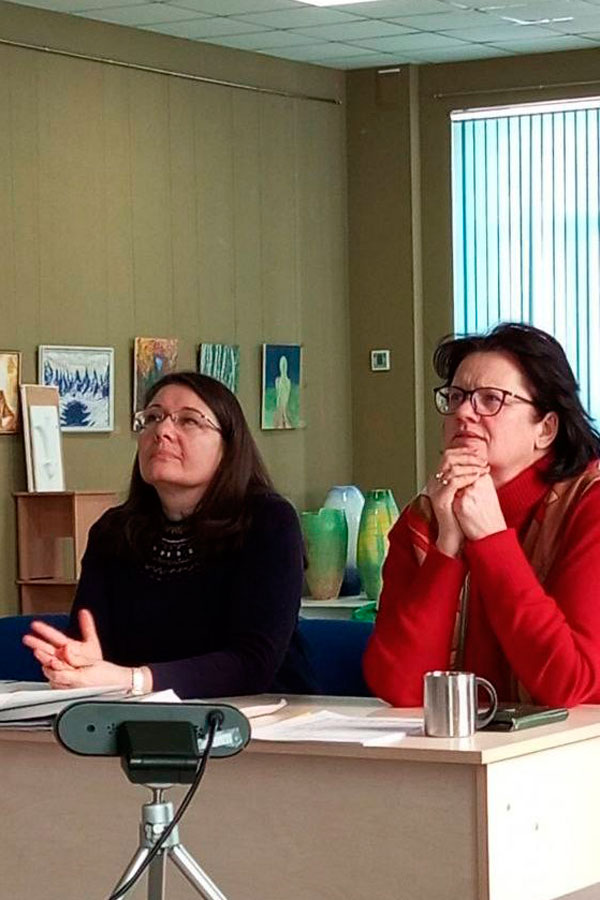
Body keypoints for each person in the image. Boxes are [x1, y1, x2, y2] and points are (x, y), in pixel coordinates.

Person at [24, 372, 315, 699]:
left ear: (229, 446)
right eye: (152, 418)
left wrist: (134, 679)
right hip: (135, 713)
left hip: (264, 715)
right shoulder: (113, 531)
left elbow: (253, 663)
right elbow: (89, 641)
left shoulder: (269, 521)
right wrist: (76, 663)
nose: (162, 431)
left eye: (189, 421)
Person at [363, 322, 600, 709]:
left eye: (491, 399)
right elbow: (400, 690)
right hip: (463, 742)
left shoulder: (590, 505)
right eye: (456, 397)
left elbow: (571, 685)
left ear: (546, 429)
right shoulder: (424, 518)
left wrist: (492, 540)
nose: (463, 413)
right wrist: (447, 547)